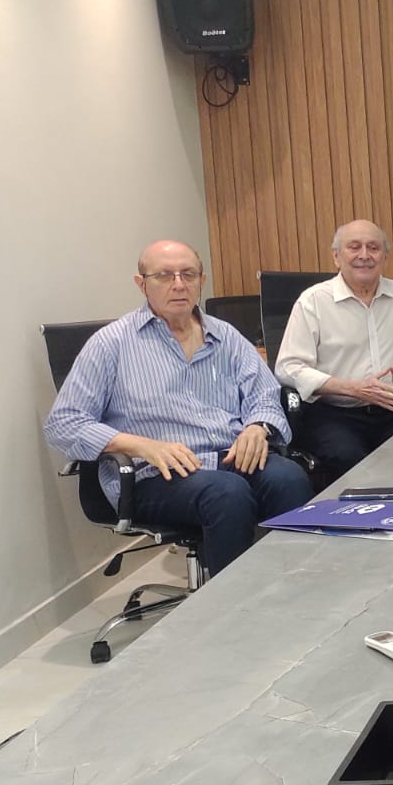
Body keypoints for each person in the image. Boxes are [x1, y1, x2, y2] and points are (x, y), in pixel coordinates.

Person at [45, 239, 313, 575]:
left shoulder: (226, 336)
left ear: (201, 280)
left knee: (289, 478)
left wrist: (258, 427)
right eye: (164, 276)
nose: (178, 284)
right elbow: (64, 423)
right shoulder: (111, 343)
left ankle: (293, 585)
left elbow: (265, 393)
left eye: (188, 274)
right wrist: (142, 445)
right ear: (142, 284)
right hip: (155, 475)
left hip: (229, 456)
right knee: (226, 494)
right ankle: (230, 603)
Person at [274, 220, 393, 482]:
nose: (364, 255)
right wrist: (353, 389)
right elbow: (288, 367)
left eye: (373, 248)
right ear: (336, 256)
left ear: (385, 257)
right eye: (354, 247)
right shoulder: (313, 302)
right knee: (352, 463)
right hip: (334, 416)